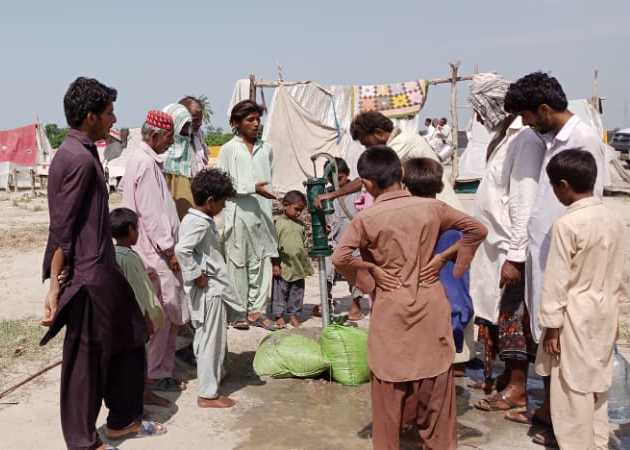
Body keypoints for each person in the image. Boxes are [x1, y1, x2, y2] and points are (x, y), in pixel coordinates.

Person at [332, 146, 487, 450]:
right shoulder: (433, 208)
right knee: (437, 391)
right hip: (430, 303)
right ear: (401, 174)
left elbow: (340, 258)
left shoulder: (366, 218)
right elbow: (477, 230)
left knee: (388, 395)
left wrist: (371, 272)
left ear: (367, 184)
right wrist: (443, 258)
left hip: (390, 306)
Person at [41, 77, 164, 450]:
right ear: (91, 116)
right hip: (89, 278)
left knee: (130, 338)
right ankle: (82, 441)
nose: (114, 118)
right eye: (109, 112)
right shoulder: (76, 158)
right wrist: (55, 287)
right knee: (85, 363)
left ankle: (123, 420)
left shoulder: (83, 151)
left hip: (103, 270)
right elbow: (62, 227)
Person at [503, 72, 608, 444]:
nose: (526, 123)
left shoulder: (582, 141)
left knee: (565, 351)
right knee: (550, 346)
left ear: (544, 109)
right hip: (546, 256)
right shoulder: (549, 140)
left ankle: (567, 429)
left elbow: (588, 208)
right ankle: (552, 415)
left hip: (567, 263)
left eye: (527, 116)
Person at [463, 74, 546, 417]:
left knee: (515, 318)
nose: (478, 116)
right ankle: (506, 379)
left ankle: (517, 389)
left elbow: (524, 201)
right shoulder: (502, 138)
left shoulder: (524, 140)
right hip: (494, 245)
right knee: (498, 313)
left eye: (480, 108)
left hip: (511, 247)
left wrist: (515, 255)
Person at [535, 149, 624, 450]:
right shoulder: (613, 219)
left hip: (574, 315)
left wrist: (552, 327)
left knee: (571, 389)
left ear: (562, 185)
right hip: (605, 311)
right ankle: (597, 442)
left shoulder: (567, 224)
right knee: (597, 382)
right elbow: (623, 273)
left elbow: (557, 280)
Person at [120, 110, 188, 393]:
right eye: (169, 138)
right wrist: (169, 251)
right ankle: (156, 372)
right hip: (155, 252)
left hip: (149, 249)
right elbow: (152, 214)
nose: (171, 143)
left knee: (159, 312)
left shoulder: (141, 160)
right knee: (163, 313)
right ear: (157, 136)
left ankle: (157, 368)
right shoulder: (146, 164)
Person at [175, 168, 244, 408]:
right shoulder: (199, 223)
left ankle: (215, 376)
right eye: (222, 202)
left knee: (208, 338)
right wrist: (196, 275)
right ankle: (208, 394)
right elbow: (182, 250)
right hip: (208, 292)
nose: (223, 207)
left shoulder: (196, 219)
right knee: (209, 342)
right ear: (211, 201)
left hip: (210, 290)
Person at [403, 157, 475, 373]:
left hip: (422, 319)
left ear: (405, 187)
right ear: (440, 186)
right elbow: (458, 292)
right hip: (446, 320)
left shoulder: (406, 223)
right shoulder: (453, 225)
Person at [316, 111, 462, 211]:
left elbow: (371, 177)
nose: (368, 149)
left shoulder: (402, 142)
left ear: (379, 133)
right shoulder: (403, 139)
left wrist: (332, 195)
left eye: (367, 144)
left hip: (443, 208)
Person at [218, 100, 278, 331]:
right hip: (238, 214)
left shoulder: (266, 149)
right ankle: (237, 312)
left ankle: (257, 312)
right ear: (236, 123)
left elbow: (269, 181)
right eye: (250, 120)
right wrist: (252, 188)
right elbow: (223, 185)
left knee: (261, 264)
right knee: (236, 263)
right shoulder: (229, 149)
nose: (256, 124)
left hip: (262, 214)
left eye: (257, 119)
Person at [110, 207, 170, 408]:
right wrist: (147, 319)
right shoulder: (129, 258)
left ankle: (143, 393)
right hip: (136, 320)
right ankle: (142, 396)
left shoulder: (114, 254)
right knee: (138, 361)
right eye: (137, 228)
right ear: (130, 230)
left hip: (121, 320)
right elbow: (138, 292)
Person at [322, 157, 364, 321]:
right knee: (326, 271)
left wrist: (334, 193)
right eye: (331, 180)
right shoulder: (326, 194)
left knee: (355, 274)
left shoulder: (357, 190)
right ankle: (326, 303)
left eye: (339, 178)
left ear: (347, 174)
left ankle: (356, 304)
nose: (335, 183)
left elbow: (362, 181)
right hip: (333, 242)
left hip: (354, 242)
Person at [271, 190, 313, 329]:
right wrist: (275, 264)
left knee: (297, 292)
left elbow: (304, 244)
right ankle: (279, 316)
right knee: (280, 292)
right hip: (283, 265)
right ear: (285, 205)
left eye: (301, 210)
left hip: (298, 266)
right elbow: (273, 245)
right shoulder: (279, 224)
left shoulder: (300, 225)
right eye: (296, 209)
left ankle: (294, 315)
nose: (298, 213)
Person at [162, 103, 195, 219]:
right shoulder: (161, 157)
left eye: (188, 126)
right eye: (183, 126)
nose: (186, 130)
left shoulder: (188, 150)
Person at [179, 96, 208, 176]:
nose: (200, 124)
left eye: (201, 119)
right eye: (195, 120)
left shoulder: (198, 136)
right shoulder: (169, 144)